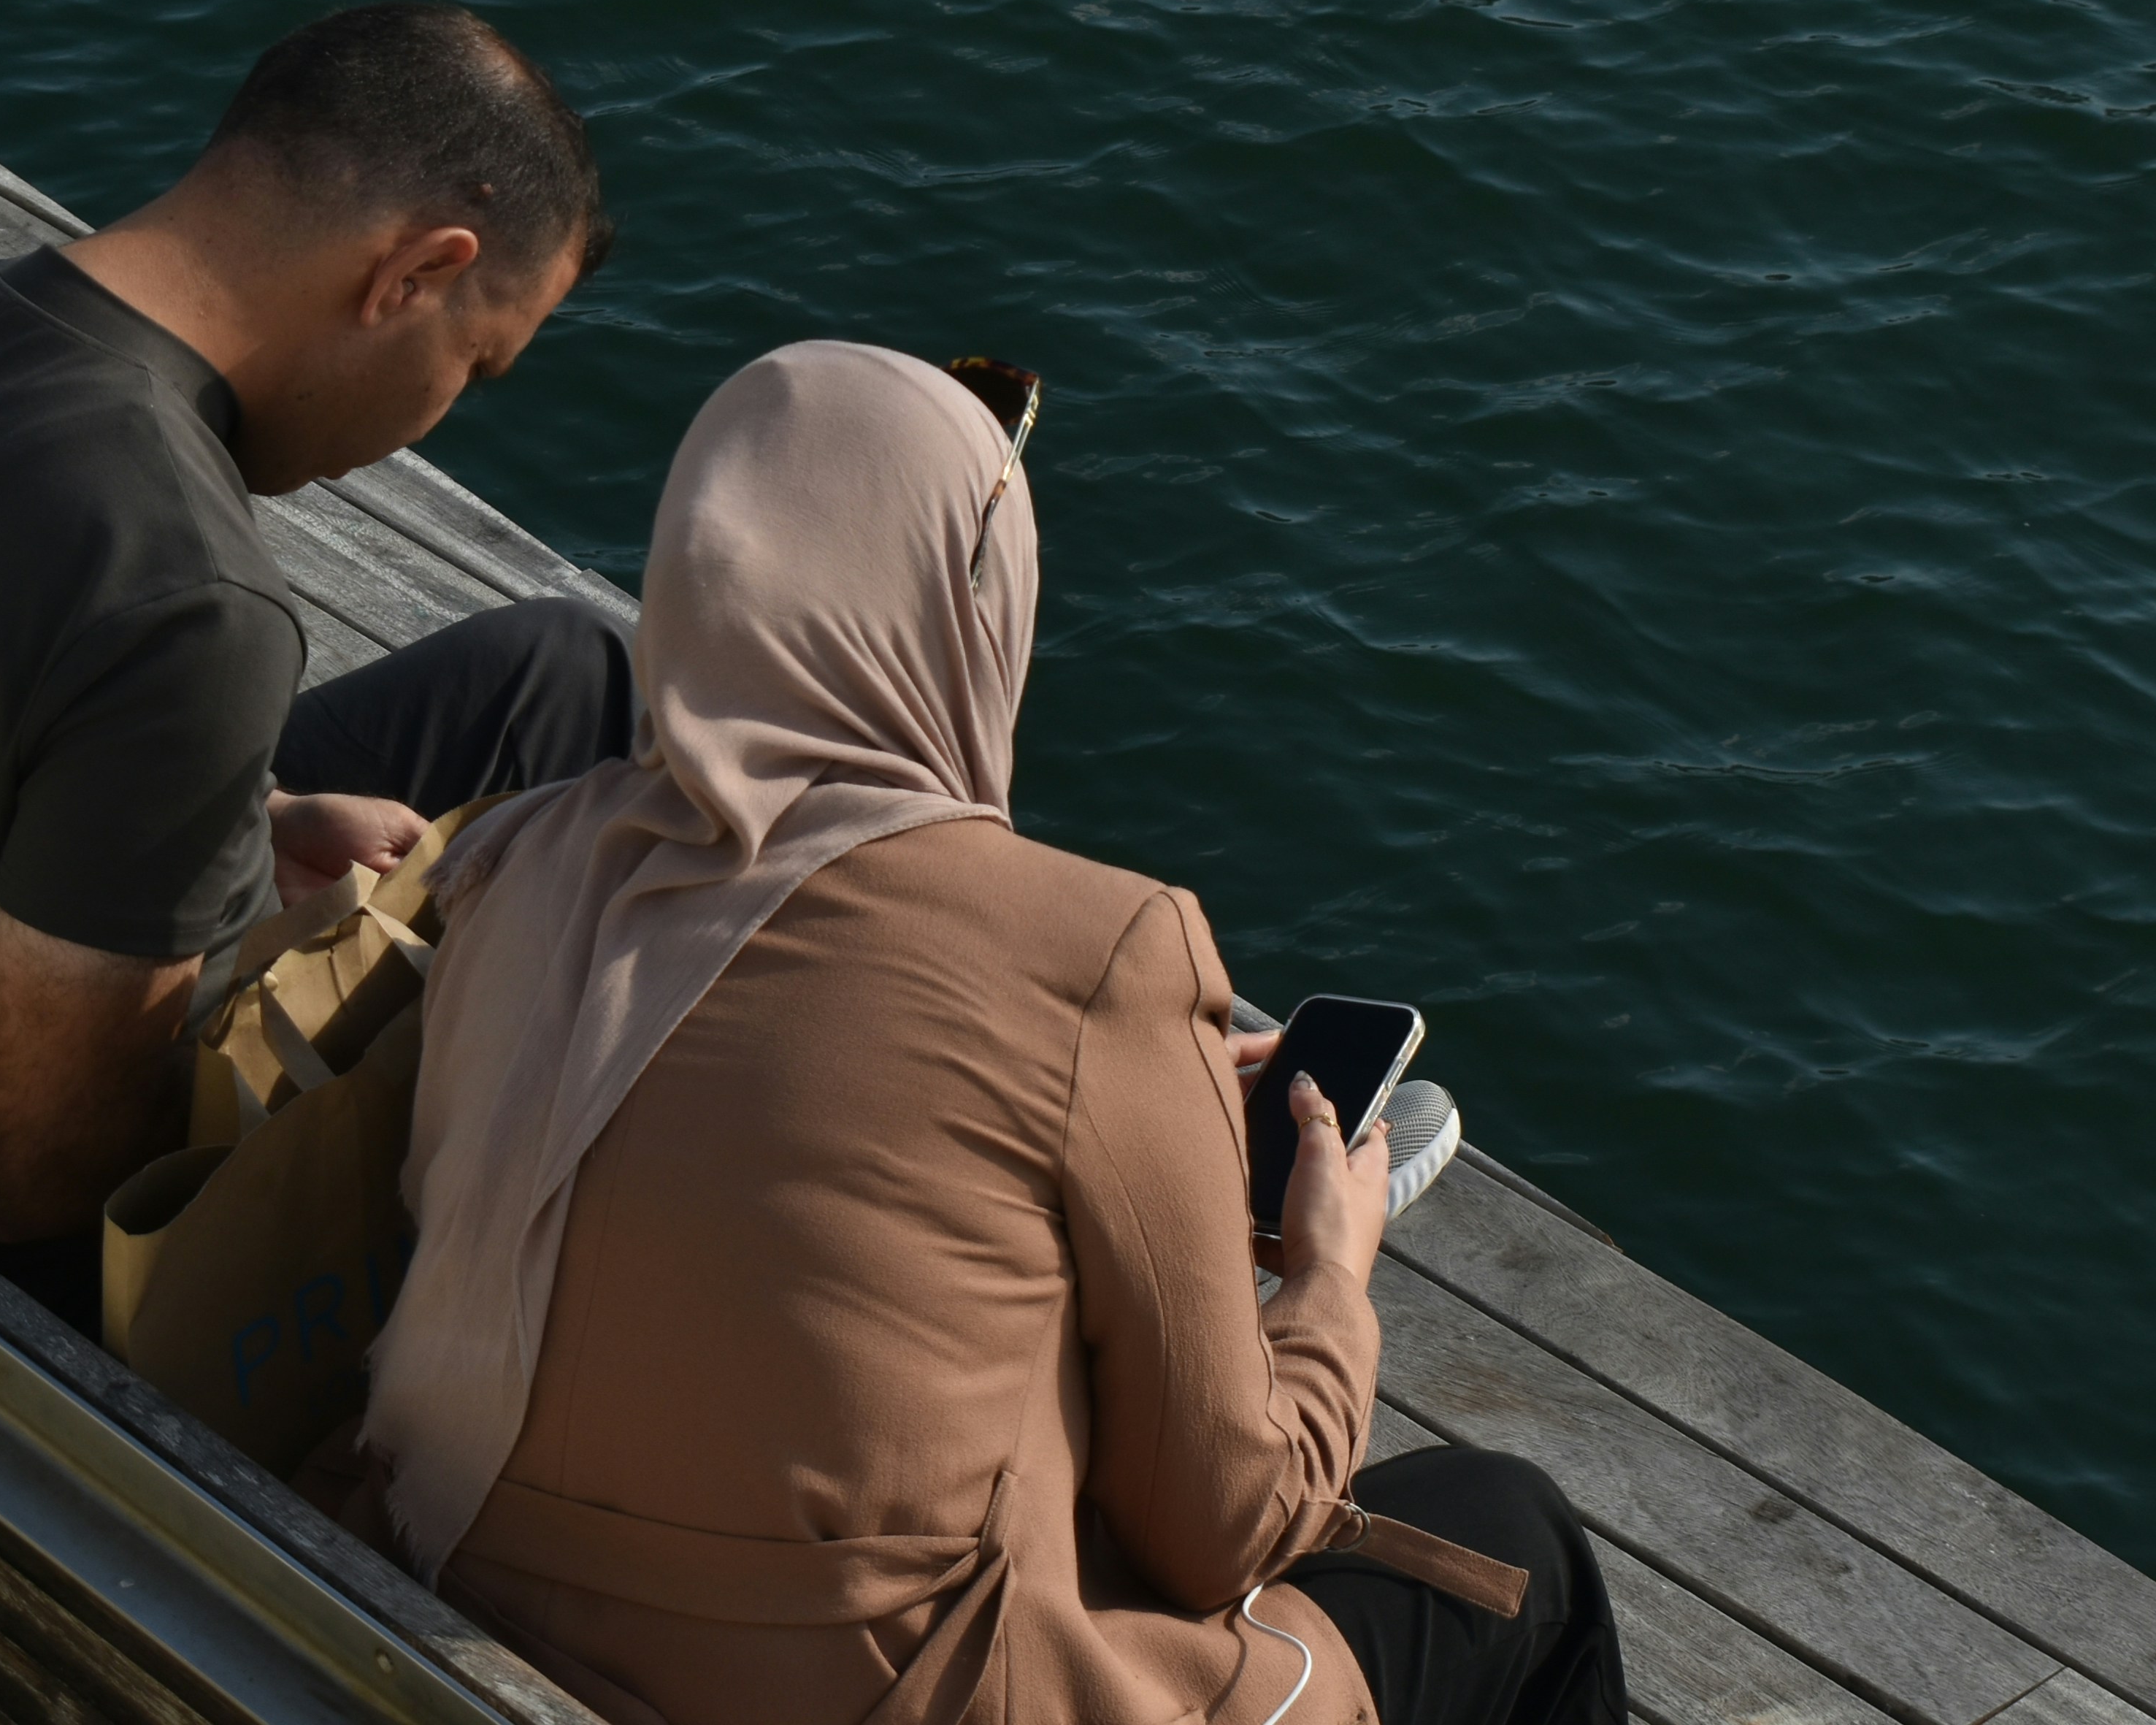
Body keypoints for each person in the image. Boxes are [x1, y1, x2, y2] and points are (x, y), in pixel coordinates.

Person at [361, 340, 1624, 1725]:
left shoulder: (515, 867)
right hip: (885, 1701)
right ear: (979, 604)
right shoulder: (1092, 949)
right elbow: (1227, 1523)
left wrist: (1139, 1120)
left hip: (462, 1616)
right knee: (1515, 1537)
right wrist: (1326, 1278)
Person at [0, 1, 633, 1330]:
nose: (439, 412)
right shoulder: (192, 595)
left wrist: (255, 821)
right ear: (415, 272)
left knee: (563, 668)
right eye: (477, 358)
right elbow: (44, 1183)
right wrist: (313, 977)